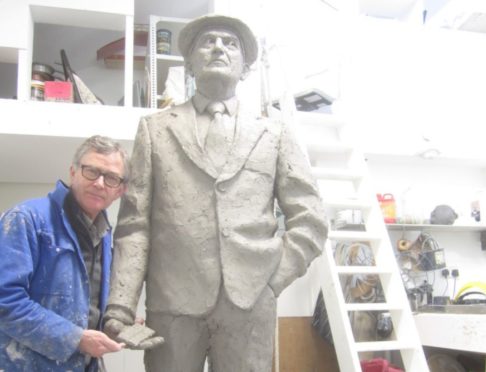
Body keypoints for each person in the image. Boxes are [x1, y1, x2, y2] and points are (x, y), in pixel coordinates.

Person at [104, 14, 328, 371]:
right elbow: (135, 227)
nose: (219, 47)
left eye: (231, 43)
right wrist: (119, 308)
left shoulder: (275, 134)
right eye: (208, 42)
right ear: (189, 62)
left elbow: (311, 220)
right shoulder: (154, 130)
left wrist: (272, 280)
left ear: (245, 67)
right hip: (172, 305)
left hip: (251, 304)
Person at [0, 135, 129, 371]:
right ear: (73, 172)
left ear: (120, 190)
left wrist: (116, 324)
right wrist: (76, 339)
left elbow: (84, 307)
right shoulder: (27, 219)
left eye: (111, 178)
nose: (100, 183)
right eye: (91, 171)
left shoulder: (104, 235)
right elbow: (5, 301)